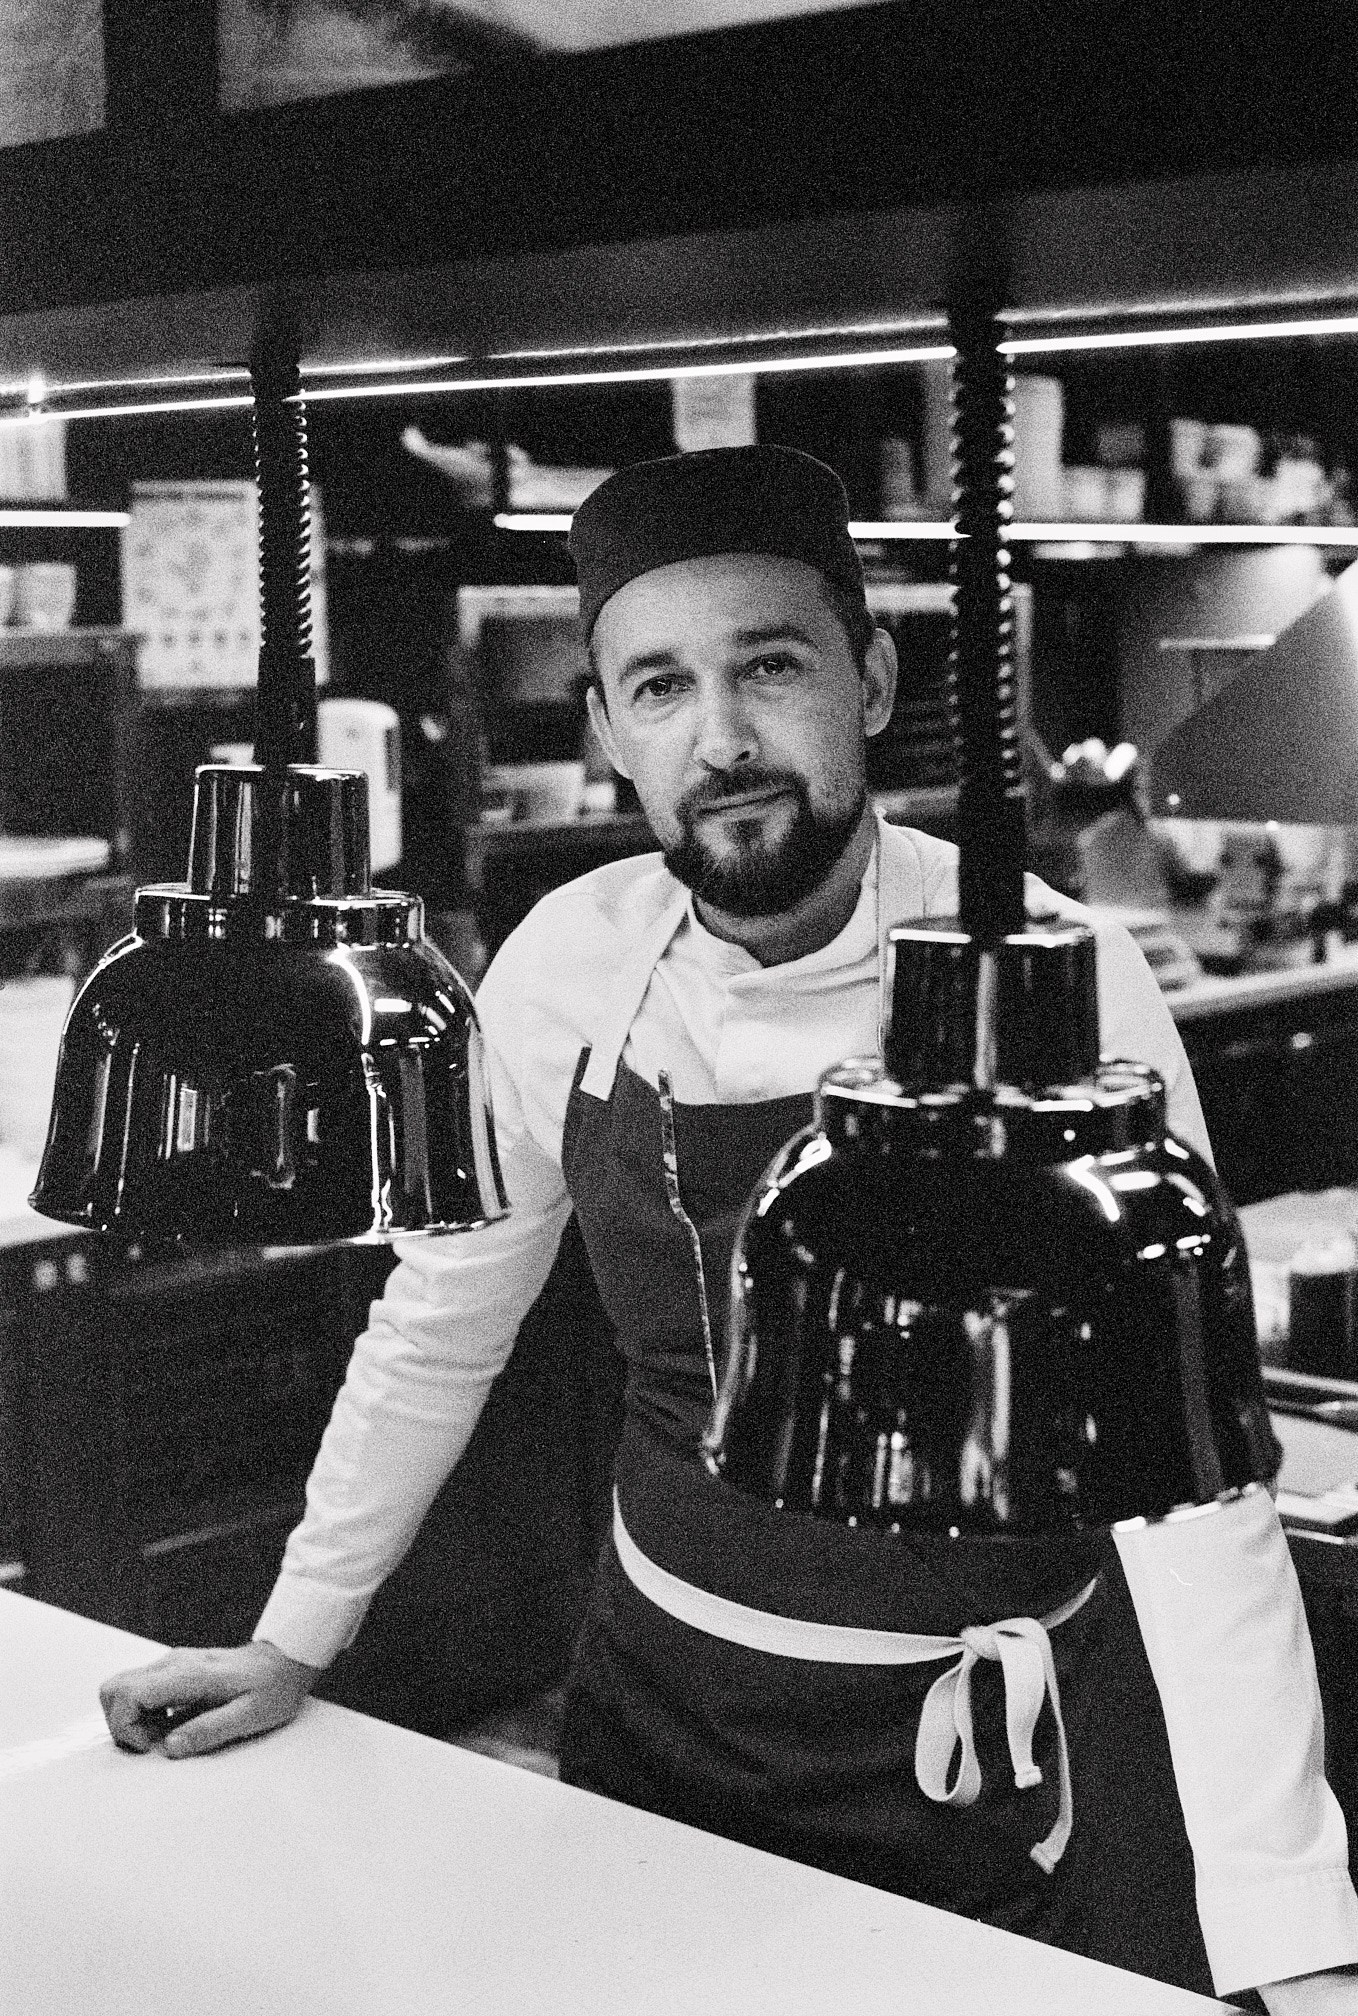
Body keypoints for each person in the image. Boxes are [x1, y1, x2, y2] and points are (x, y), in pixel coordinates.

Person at [102, 446, 1358, 2011]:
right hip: (668, 1719)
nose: (722, 738)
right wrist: (294, 1636)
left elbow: (1188, 1475)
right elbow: (438, 1322)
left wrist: (1290, 1923)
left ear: (869, 679)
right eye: (660, 687)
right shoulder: (568, 965)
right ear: (609, 728)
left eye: (769, 666)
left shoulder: (1054, 980)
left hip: (992, 1752)